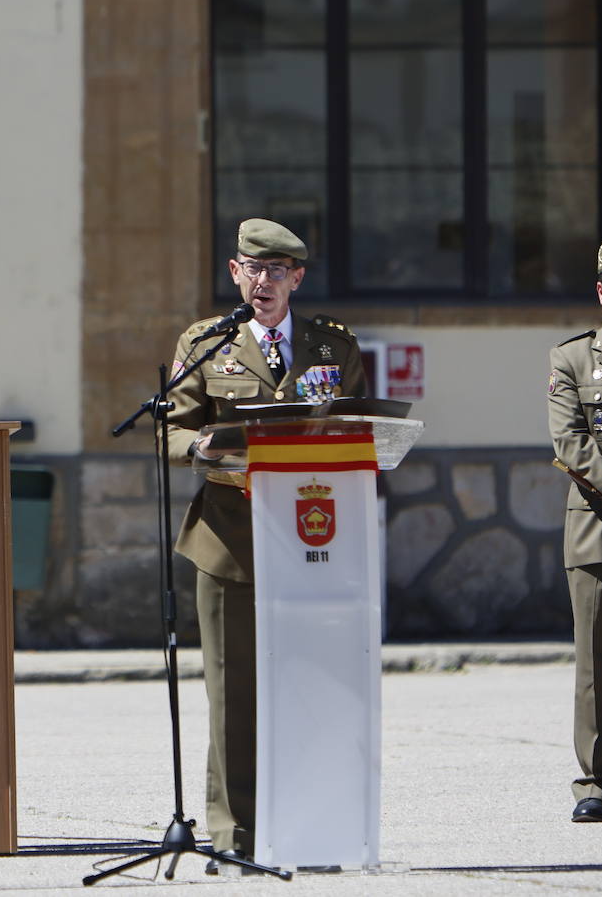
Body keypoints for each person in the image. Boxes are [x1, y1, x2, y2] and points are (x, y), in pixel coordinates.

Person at [162, 218, 366, 867]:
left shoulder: (333, 348)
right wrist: (198, 444)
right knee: (233, 692)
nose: (264, 281)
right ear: (234, 273)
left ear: (297, 278)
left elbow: (358, 429)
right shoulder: (206, 345)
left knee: (312, 684)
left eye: (278, 270)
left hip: (314, 542)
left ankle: (311, 822)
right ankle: (234, 832)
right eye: (253, 269)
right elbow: (169, 428)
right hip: (230, 542)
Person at [547, 240, 602, 824]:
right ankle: (597, 785)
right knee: (598, 666)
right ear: (601, 291)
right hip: (600, 533)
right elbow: (571, 443)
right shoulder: (573, 359)